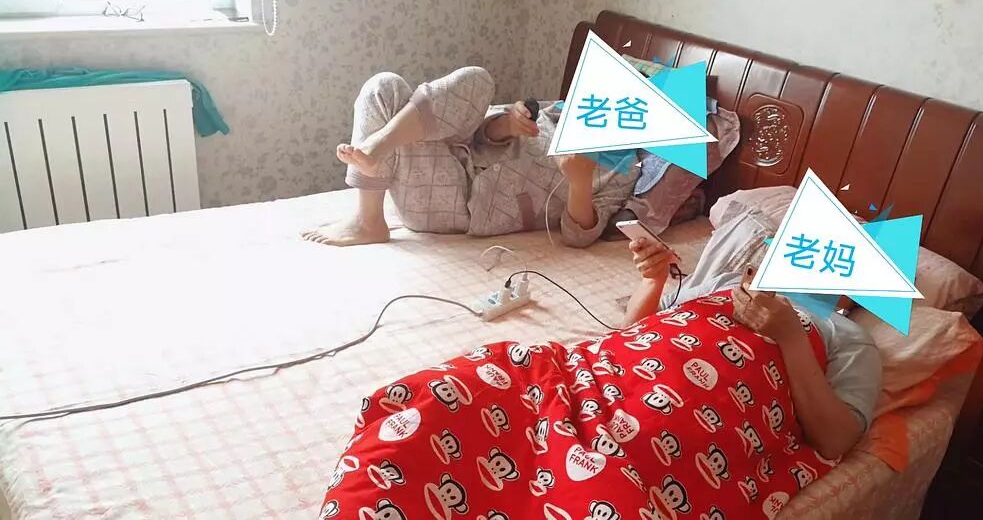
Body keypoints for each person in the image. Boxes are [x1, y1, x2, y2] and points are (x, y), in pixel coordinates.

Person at [301, 66, 638, 247]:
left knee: (390, 92)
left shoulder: (623, 169)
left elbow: (580, 235)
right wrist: (507, 124)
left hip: (460, 203)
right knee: (389, 85)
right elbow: (481, 138)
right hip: (453, 151)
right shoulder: (557, 114)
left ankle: (375, 167)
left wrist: (579, 182)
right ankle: (371, 204)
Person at [624, 236, 882, 459]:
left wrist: (791, 337)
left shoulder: (849, 337)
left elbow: (836, 440)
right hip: (623, 377)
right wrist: (653, 281)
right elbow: (633, 333)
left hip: (680, 418)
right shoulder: (729, 282)